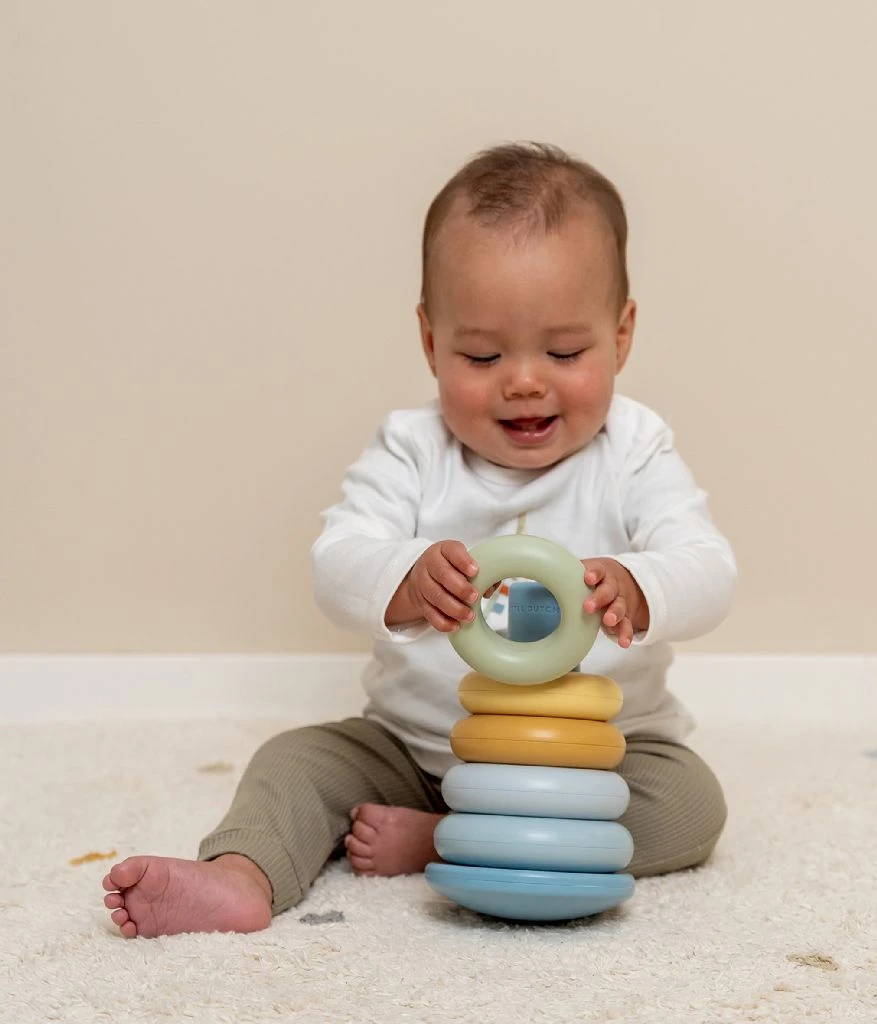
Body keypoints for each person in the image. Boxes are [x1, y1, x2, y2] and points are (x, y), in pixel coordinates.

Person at [101, 141, 736, 938]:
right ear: (431, 342)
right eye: (481, 354)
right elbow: (336, 564)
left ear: (623, 334)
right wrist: (404, 576)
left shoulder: (636, 451)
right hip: (415, 757)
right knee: (296, 761)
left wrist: (642, 586)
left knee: (692, 805)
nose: (525, 380)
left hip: (593, 766)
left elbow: (709, 568)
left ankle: (448, 843)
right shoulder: (412, 449)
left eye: (566, 352)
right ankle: (242, 874)